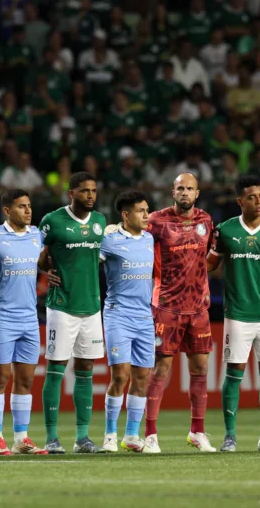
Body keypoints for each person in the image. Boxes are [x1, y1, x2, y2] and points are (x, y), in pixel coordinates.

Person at [208, 175, 260, 452]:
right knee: (234, 372)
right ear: (239, 201)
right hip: (237, 315)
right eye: (252, 197)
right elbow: (209, 265)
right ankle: (230, 436)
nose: (258, 202)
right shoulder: (225, 230)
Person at [143, 173, 216, 453]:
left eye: (190, 189)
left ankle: (197, 431)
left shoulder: (206, 221)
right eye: (180, 188)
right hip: (166, 308)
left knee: (200, 370)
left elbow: (210, 259)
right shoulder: (156, 221)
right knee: (160, 369)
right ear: (172, 191)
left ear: (197, 193)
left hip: (198, 309)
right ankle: (151, 435)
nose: (185, 192)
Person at [38, 172, 106, 454]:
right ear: (71, 194)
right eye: (84, 191)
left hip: (91, 306)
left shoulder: (101, 222)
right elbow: (36, 255)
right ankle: (52, 437)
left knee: (86, 370)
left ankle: (82, 438)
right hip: (62, 306)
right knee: (56, 369)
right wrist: (44, 270)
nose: (90, 195)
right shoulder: (52, 221)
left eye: (93, 190)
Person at [0, 189, 48, 455]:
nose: (28, 211)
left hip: (30, 319)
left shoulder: (36, 235)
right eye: (21, 207)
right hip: (2, 317)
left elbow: (43, 262)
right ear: (7, 211)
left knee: (25, 381)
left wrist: (49, 271)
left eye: (29, 206)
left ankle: (22, 438)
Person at [98, 191, 155, 453]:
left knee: (142, 378)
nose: (146, 215)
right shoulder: (108, 241)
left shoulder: (149, 239)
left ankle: (131, 435)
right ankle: (110, 434)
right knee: (120, 375)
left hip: (144, 317)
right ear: (125, 215)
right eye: (141, 211)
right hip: (117, 313)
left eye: (147, 210)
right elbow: (85, 262)